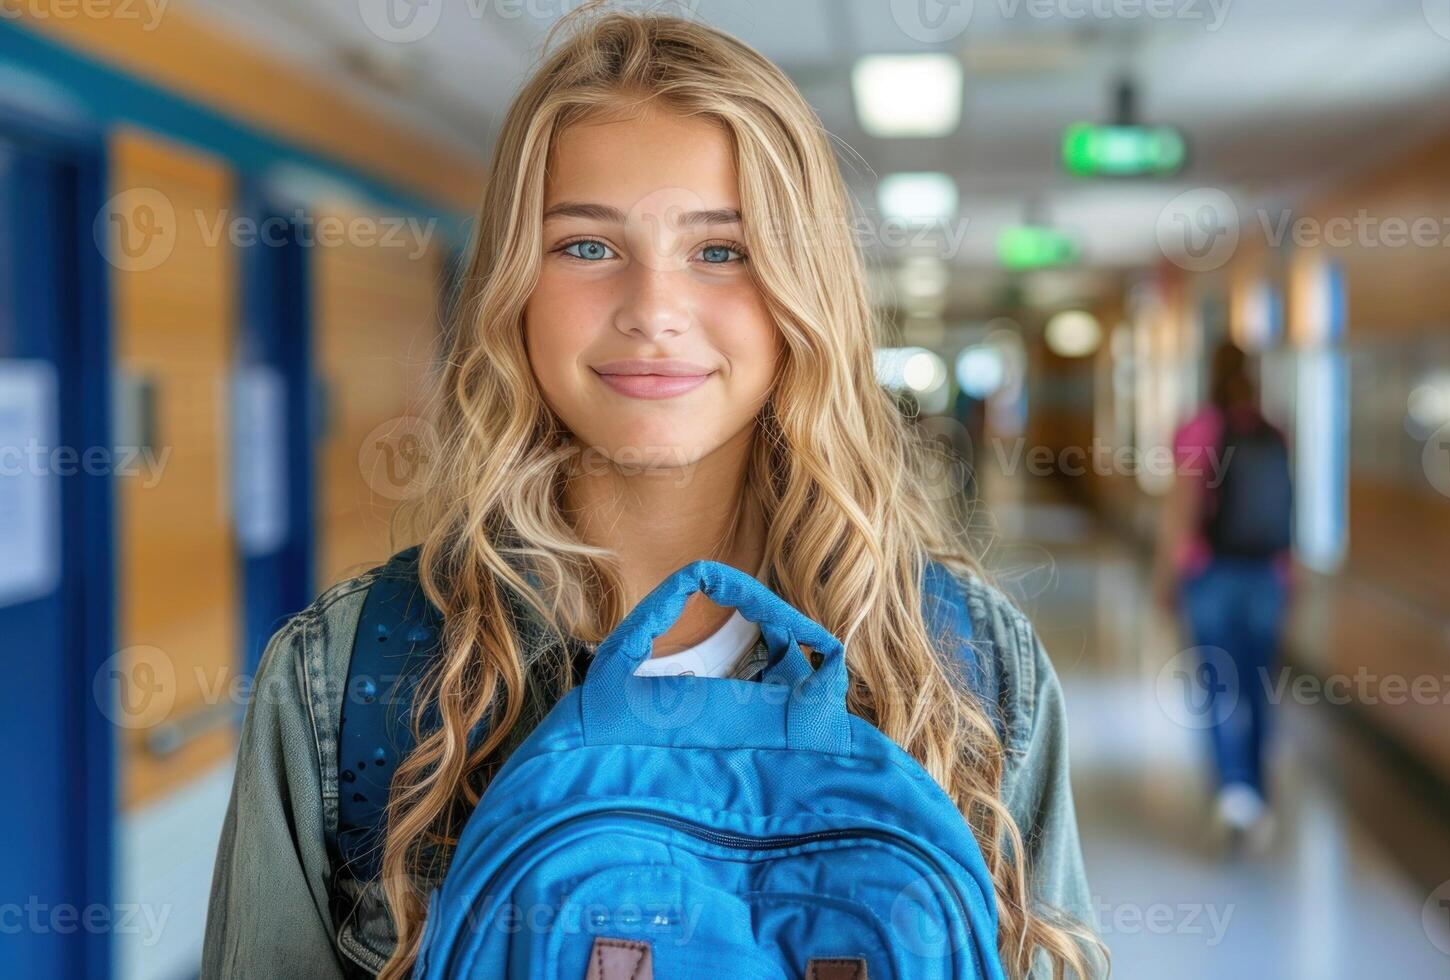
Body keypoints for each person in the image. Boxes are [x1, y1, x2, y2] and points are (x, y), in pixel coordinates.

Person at [201, 6, 1106, 980]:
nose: (654, 311)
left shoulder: (970, 668)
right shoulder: (346, 686)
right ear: (513, 283)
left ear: (802, 287)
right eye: (587, 245)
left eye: (721, 250)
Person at [1153, 340, 1293, 852]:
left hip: (1209, 574)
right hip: (1267, 576)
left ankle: (1233, 790)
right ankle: (1257, 788)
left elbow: (1182, 510)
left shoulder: (1198, 429)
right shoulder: (1275, 430)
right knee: (1259, 688)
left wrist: (1165, 577)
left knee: (1215, 683)